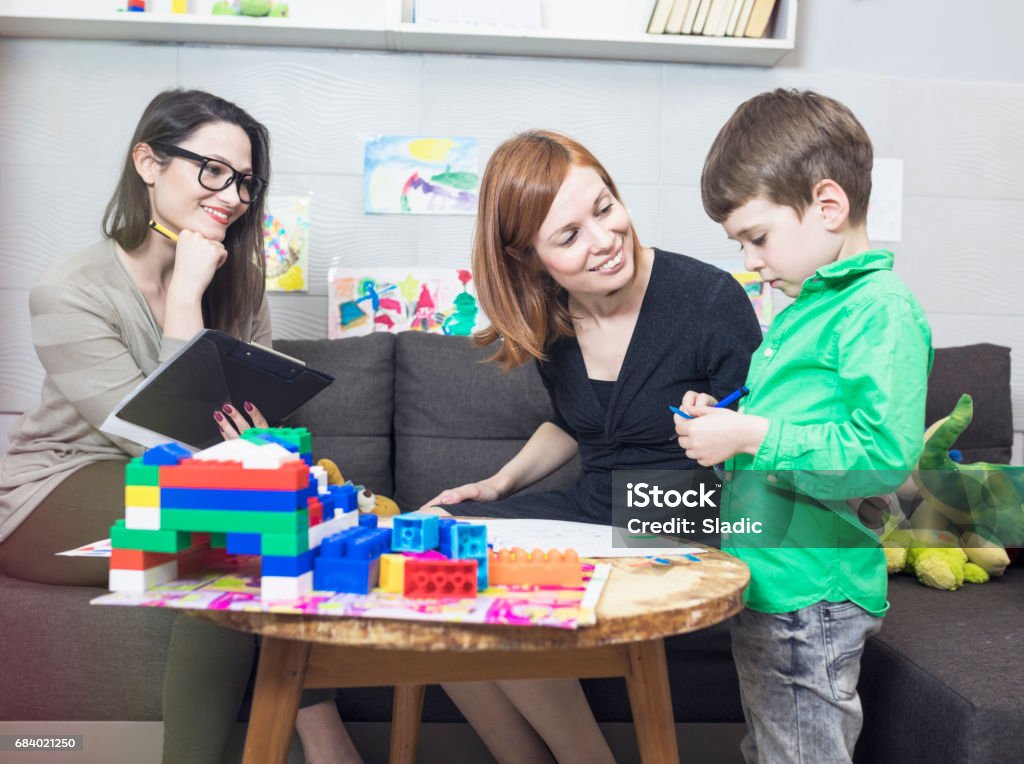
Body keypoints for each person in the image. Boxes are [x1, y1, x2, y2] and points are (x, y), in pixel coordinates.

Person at [0, 89, 361, 764]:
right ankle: (323, 738)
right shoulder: (69, 288)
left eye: (246, 182)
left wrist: (253, 440)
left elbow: (223, 442)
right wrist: (187, 297)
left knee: (292, 519)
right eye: (212, 170)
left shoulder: (242, 279)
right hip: (54, 490)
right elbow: (160, 439)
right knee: (227, 529)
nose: (232, 195)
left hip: (186, 482)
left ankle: (318, 734)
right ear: (148, 162)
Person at [420, 130, 763, 762]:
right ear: (528, 259)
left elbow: (758, 437)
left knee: (502, 586)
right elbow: (577, 424)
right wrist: (498, 486)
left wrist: (721, 423)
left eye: (604, 209)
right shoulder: (549, 313)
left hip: (680, 514)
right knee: (429, 547)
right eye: (569, 236)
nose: (605, 241)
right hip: (593, 508)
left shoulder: (711, 298)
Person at [674, 88, 932, 763]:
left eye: (757, 238)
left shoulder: (881, 312)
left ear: (827, 206)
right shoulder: (802, 309)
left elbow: (881, 456)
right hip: (773, 582)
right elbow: (797, 423)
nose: (752, 259)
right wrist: (727, 422)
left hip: (810, 595)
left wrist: (752, 436)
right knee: (772, 747)